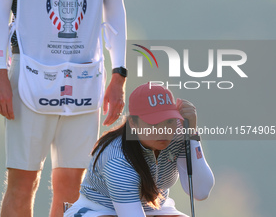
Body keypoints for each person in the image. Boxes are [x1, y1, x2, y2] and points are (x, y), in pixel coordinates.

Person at [0, 0, 132, 216]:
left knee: (73, 186)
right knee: (22, 183)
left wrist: (119, 73)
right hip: (29, 74)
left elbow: (115, 8)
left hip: (85, 77)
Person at [64, 82, 215, 217]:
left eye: (169, 121)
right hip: (98, 210)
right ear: (133, 123)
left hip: (155, 209)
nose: (163, 131)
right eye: (154, 124)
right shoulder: (117, 158)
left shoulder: (178, 134)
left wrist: (192, 135)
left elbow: (200, 191)